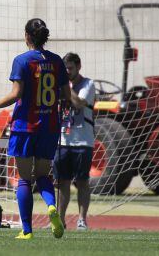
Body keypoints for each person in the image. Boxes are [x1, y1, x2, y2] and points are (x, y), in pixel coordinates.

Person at [0, 18, 85, 240]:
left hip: (25, 127)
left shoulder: (22, 61)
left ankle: (27, 230)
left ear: (27, 36)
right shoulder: (57, 61)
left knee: (24, 179)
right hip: (49, 126)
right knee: (43, 175)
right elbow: (66, 96)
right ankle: (51, 206)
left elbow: (16, 94)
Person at [54, 52, 95, 230]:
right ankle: (60, 219)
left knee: (82, 181)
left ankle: (81, 220)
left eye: (70, 68)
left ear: (78, 67)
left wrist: (64, 86)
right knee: (62, 182)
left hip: (82, 141)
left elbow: (78, 103)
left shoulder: (88, 84)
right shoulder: (59, 86)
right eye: (65, 69)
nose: (68, 71)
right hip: (63, 140)